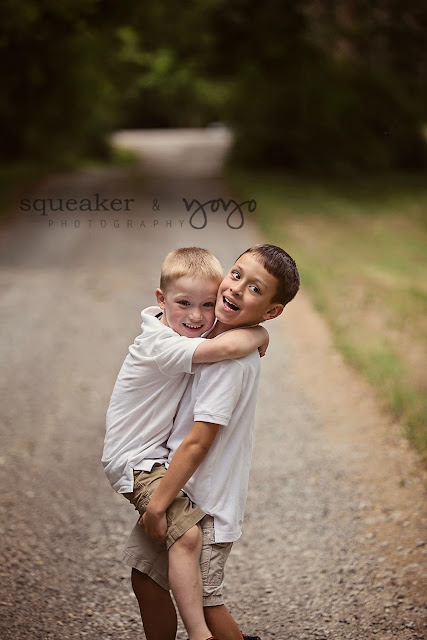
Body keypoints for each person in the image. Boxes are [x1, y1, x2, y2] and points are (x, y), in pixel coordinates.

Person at [124, 244, 300, 640]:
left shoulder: (227, 365)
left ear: (272, 310)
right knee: (148, 579)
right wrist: (257, 331)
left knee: (206, 602)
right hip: (179, 487)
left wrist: (156, 504)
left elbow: (198, 442)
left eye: (255, 289)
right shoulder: (209, 337)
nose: (237, 289)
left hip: (200, 502)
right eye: (236, 275)